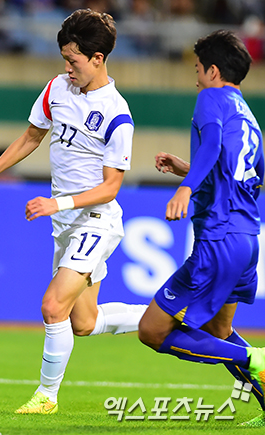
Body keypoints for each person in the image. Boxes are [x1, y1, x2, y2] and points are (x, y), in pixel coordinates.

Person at [0, 8, 147, 414]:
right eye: (64, 59)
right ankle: (166, 313)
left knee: (52, 306)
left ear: (97, 58)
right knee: (83, 322)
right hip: (65, 223)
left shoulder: (117, 114)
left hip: (95, 220)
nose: (66, 68)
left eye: (73, 61)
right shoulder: (57, 89)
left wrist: (55, 203)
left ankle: (46, 396)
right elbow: (32, 136)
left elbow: (111, 187)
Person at [138, 29, 265, 427]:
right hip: (247, 239)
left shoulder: (211, 98)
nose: (196, 78)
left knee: (152, 331)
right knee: (219, 329)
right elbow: (250, 176)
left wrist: (186, 187)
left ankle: (254, 357)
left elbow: (211, 145)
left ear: (212, 70)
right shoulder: (249, 117)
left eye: (197, 69)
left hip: (219, 237)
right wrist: (188, 170)